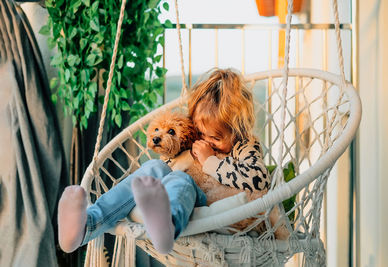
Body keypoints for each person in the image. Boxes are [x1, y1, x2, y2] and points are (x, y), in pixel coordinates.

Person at [57, 68, 270, 255]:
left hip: (204, 200)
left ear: (239, 130)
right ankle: (89, 223)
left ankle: (167, 224)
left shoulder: (245, 146)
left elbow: (259, 180)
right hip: (178, 190)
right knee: (155, 167)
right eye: (201, 133)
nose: (206, 142)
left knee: (181, 180)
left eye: (216, 138)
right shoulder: (196, 140)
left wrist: (211, 161)